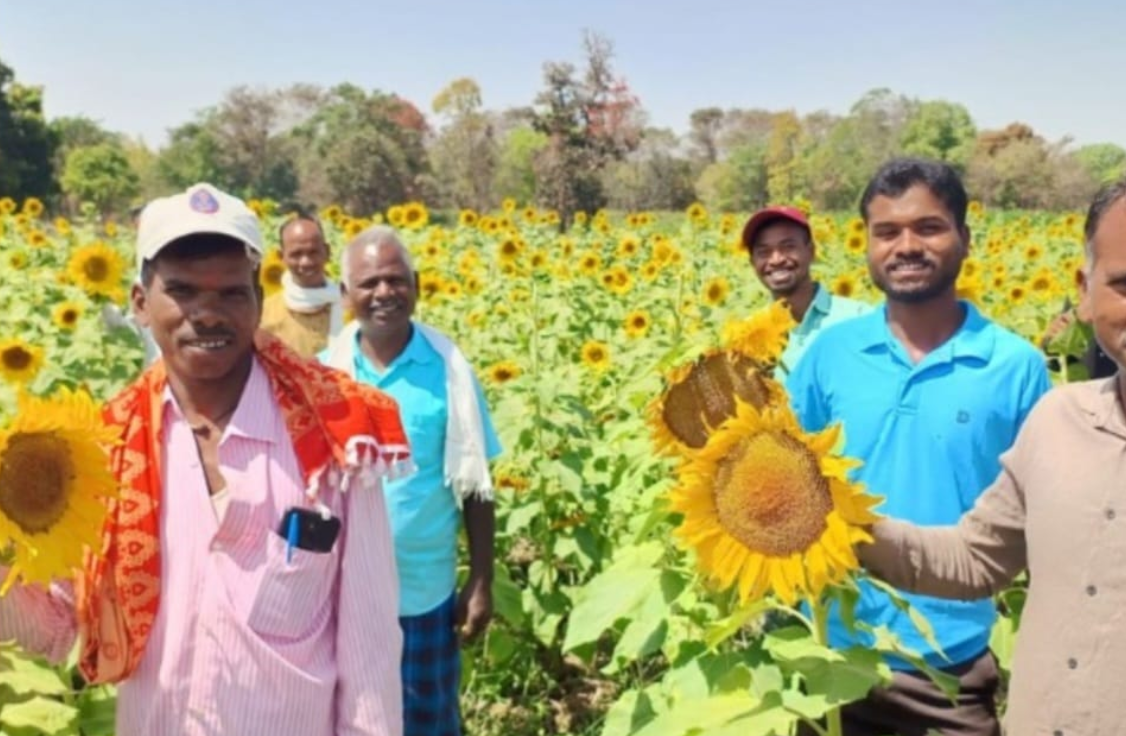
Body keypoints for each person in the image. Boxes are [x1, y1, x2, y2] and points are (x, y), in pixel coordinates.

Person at [1, 183, 409, 736]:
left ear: (257, 301)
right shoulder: (101, 453)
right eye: (183, 291)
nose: (207, 314)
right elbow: (56, 630)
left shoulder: (335, 436)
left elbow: (370, 652)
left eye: (231, 293)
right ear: (140, 303)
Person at [788, 159, 1051, 736]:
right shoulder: (829, 354)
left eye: (928, 227)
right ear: (867, 244)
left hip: (948, 665)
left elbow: (1042, 515)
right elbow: (785, 474)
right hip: (829, 648)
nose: (906, 246)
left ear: (965, 237)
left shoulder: (1016, 367)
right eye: (886, 232)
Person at [859, 178, 1126, 736]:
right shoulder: (1059, 420)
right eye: (1125, 284)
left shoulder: (1015, 367)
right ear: (1085, 292)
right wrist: (833, 526)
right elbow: (976, 558)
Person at [322, 226, 501, 736]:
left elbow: (476, 486)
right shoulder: (325, 376)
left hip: (422, 592)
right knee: (349, 721)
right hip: (342, 595)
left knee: (427, 720)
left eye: (396, 280)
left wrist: (481, 579)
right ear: (346, 295)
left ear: (416, 285)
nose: (384, 292)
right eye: (369, 283)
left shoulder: (450, 372)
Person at [741, 205, 870, 372]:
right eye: (764, 252)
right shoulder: (749, 335)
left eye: (788, 247)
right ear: (752, 262)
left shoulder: (858, 318)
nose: (776, 259)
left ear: (811, 251)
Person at [261, 213, 344, 358]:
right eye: (296, 254)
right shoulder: (264, 316)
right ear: (281, 257)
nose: (306, 262)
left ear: (327, 252)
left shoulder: (350, 308)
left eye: (313, 252)